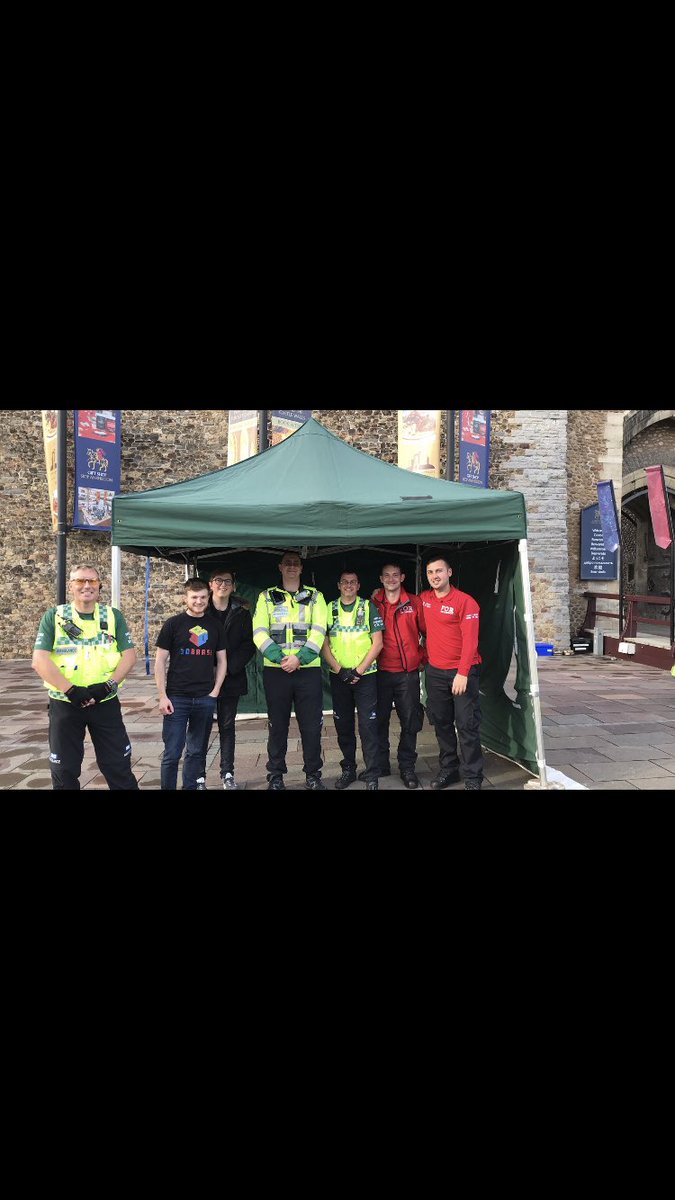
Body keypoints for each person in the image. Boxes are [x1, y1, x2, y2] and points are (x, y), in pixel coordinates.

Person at [32, 563, 139, 790]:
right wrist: (70, 690)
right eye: (80, 581)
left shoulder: (112, 616)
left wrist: (108, 686)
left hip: (104, 701)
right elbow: (39, 661)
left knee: (118, 765)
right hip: (66, 703)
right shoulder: (54, 616)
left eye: (92, 581)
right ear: (71, 586)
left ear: (100, 585)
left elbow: (129, 656)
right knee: (64, 771)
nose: (87, 585)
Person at [252, 551, 327, 791]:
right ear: (280, 567)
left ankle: (313, 774)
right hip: (277, 670)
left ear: (302, 568)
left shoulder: (316, 596)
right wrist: (282, 658)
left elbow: (319, 630)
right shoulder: (266, 597)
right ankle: (275, 776)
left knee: (311, 726)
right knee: (277, 725)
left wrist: (300, 658)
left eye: (296, 563)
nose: (292, 567)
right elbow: (259, 631)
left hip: (308, 670)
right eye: (288, 563)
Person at [155, 578, 227, 791]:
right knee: (172, 753)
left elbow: (222, 660)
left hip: (204, 698)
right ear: (185, 598)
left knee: (196, 752)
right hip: (176, 698)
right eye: (194, 597)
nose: (199, 601)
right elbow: (160, 661)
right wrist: (162, 695)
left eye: (203, 597)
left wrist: (215, 691)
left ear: (208, 597)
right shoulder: (173, 624)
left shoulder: (215, 626)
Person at [420, 555, 484, 791]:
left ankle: (473, 777)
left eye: (439, 571)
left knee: (466, 725)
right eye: (430, 572)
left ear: (449, 573)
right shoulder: (424, 599)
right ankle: (449, 769)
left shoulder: (466, 602)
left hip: (462, 673)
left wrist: (463, 672)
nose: (435, 576)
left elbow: (471, 641)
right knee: (441, 723)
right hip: (435, 672)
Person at [322, 569, 384, 791]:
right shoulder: (329, 608)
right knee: (343, 725)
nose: (349, 586)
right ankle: (348, 768)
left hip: (365, 676)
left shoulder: (368, 606)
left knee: (368, 726)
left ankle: (372, 774)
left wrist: (358, 671)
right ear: (339, 585)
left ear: (359, 586)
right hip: (339, 676)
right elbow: (323, 643)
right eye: (345, 582)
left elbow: (378, 643)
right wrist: (340, 670)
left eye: (353, 582)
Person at [371, 560, 426, 789]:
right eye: (387, 575)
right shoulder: (373, 603)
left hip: (407, 674)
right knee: (379, 721)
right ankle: (382, 764)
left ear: (402, 577)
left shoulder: (414, 602)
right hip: (380, 673)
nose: (391, 579)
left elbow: (429, 633)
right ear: (381, 579)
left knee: (410, 722)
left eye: (395, 575)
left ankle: (407, 767)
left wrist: (422, 658)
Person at [204, 568, 255, 791]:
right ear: (210, 584)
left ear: (233, 586)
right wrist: (209, 669)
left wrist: (227, 669)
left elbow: (248, 645)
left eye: (227, 581)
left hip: (231, 679)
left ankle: (227, 773)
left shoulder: (242, 613)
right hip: (203, 680)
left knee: (227, 726)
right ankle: (198, 775)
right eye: (218, 580)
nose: (222, 584)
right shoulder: (200, 611)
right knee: (201, 728)